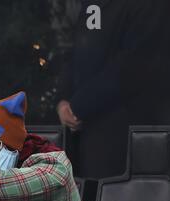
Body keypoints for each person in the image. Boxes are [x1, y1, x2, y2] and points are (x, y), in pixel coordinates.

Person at [56, 0, 170, 179]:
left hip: (130, 128)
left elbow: (133, 65)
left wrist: (77, 105)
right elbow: (77, 51)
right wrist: (64, 99)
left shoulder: (149, 6)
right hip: (88, 132)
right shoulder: (92, 5)